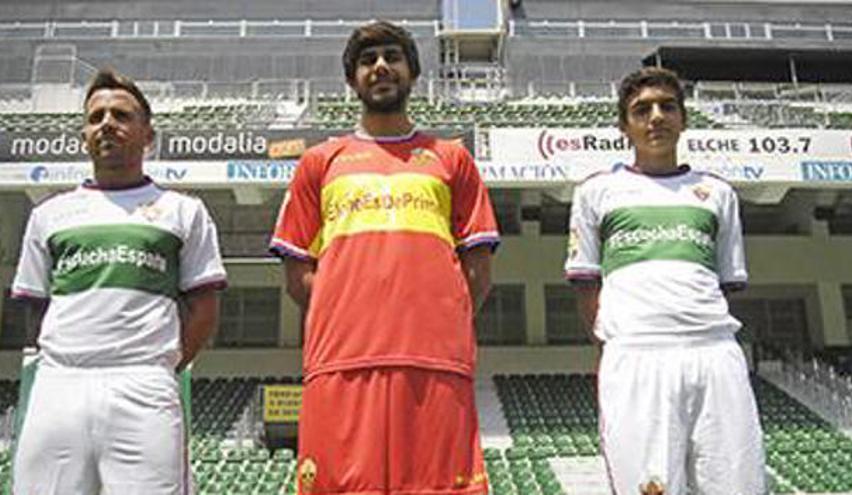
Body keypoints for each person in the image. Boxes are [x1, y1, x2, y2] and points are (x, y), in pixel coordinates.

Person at [270, 21, 499, 495]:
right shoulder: (320, 161)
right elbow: (298, 275)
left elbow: (477, 272)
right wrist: (353, 313)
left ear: (412, 73)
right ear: (353, 80)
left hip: (435, 359)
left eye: (392, 57)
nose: (380, 67)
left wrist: (433, 320)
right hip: (342, 360)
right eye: (367, 61)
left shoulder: (452, 158)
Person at [11, 68, 227, 494]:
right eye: (96, 117)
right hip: (60, 382)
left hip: (143, 383)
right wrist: (71, 353)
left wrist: (157, 362)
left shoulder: (183, 211)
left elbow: (204, 309)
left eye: (121, 115)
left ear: (148, 134)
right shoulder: (49, 215)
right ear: (83, 136)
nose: (106, 124)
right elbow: (35, 306)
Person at [565, 67, 765, 495]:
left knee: (736, 485)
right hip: (636, 356)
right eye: (642, 109)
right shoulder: (596, 192)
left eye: (667, 106)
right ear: (624, 126)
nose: (656, 117)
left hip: (715, 355)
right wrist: (612, 348)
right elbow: (586, 284)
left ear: (684, 119)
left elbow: (726, 286)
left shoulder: (718, 193)